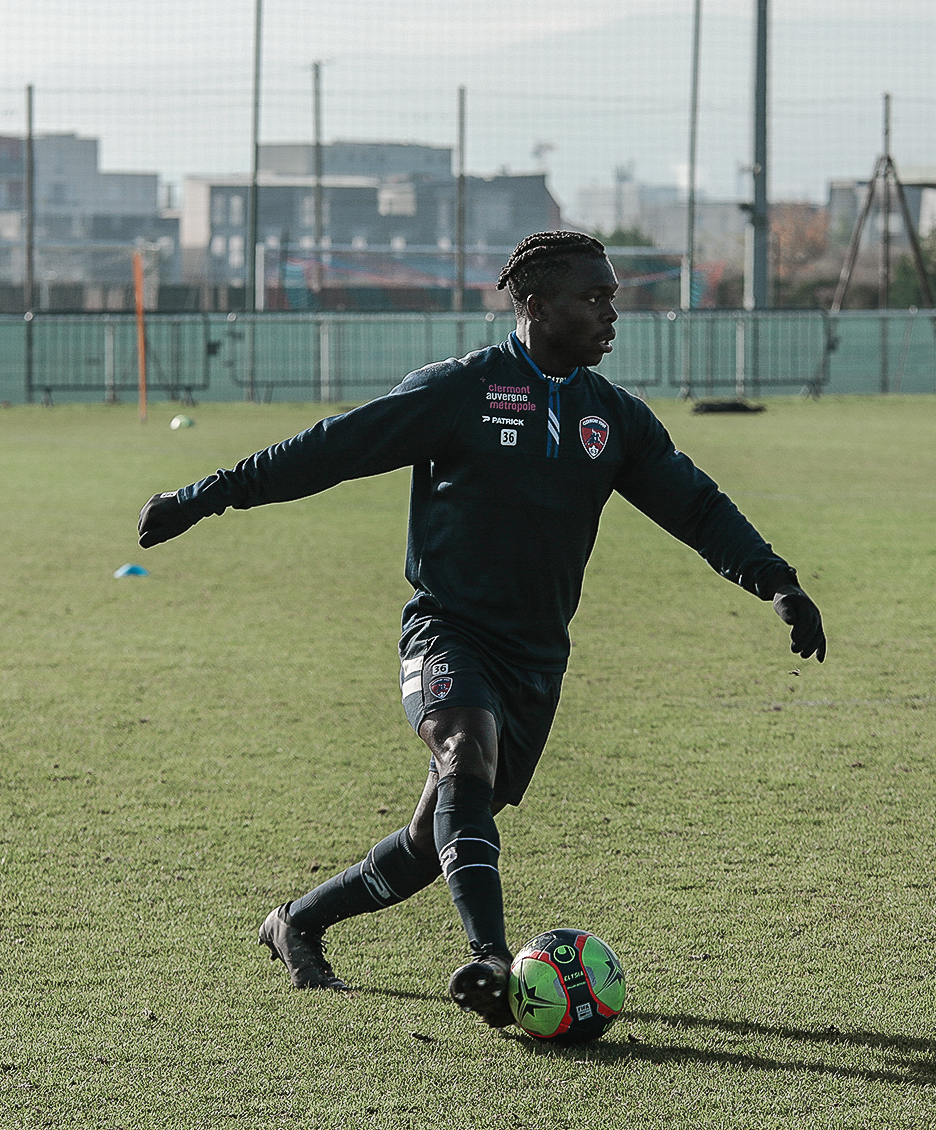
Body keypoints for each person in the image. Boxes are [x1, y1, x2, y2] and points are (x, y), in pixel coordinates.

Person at [136, 230, 825, 1027]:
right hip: (448, 632)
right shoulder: (462, 390)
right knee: (466, 749)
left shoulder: (614, 419)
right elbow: (334, 448)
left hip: (537, 659)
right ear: (535, 305)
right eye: (592, 298)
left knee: (436, 840)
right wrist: (207, 494)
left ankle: (297, 921)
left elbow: (697, 507)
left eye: (613, 298)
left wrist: (777, 582)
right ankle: (491, 961)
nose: (611, 314)